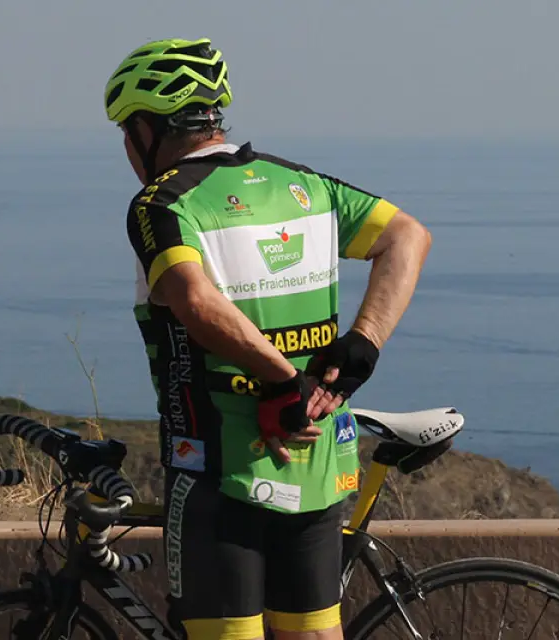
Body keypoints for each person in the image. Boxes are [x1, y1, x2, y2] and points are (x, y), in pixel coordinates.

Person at [107, 38, 434, 640]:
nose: (126, 149)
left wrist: (283, 380)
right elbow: (408, 237)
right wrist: (362, 345)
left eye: (127, 132)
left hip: (218, 472)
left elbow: (195, 300)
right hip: (318, 467)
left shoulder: (161, 204)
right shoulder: (301, 185)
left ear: (149, 129)